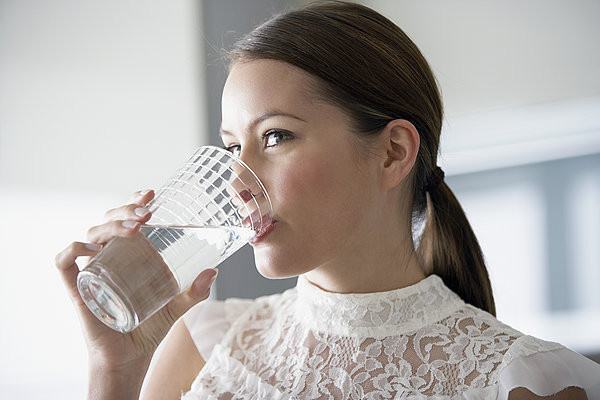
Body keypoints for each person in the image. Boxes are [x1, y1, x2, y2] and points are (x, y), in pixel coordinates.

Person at [55, 1, 600, 399]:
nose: (237, 181)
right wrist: (116, 368)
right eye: (229, 147)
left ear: (392, 153)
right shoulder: (203, 345)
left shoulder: (525, 381)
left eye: (274, 137)